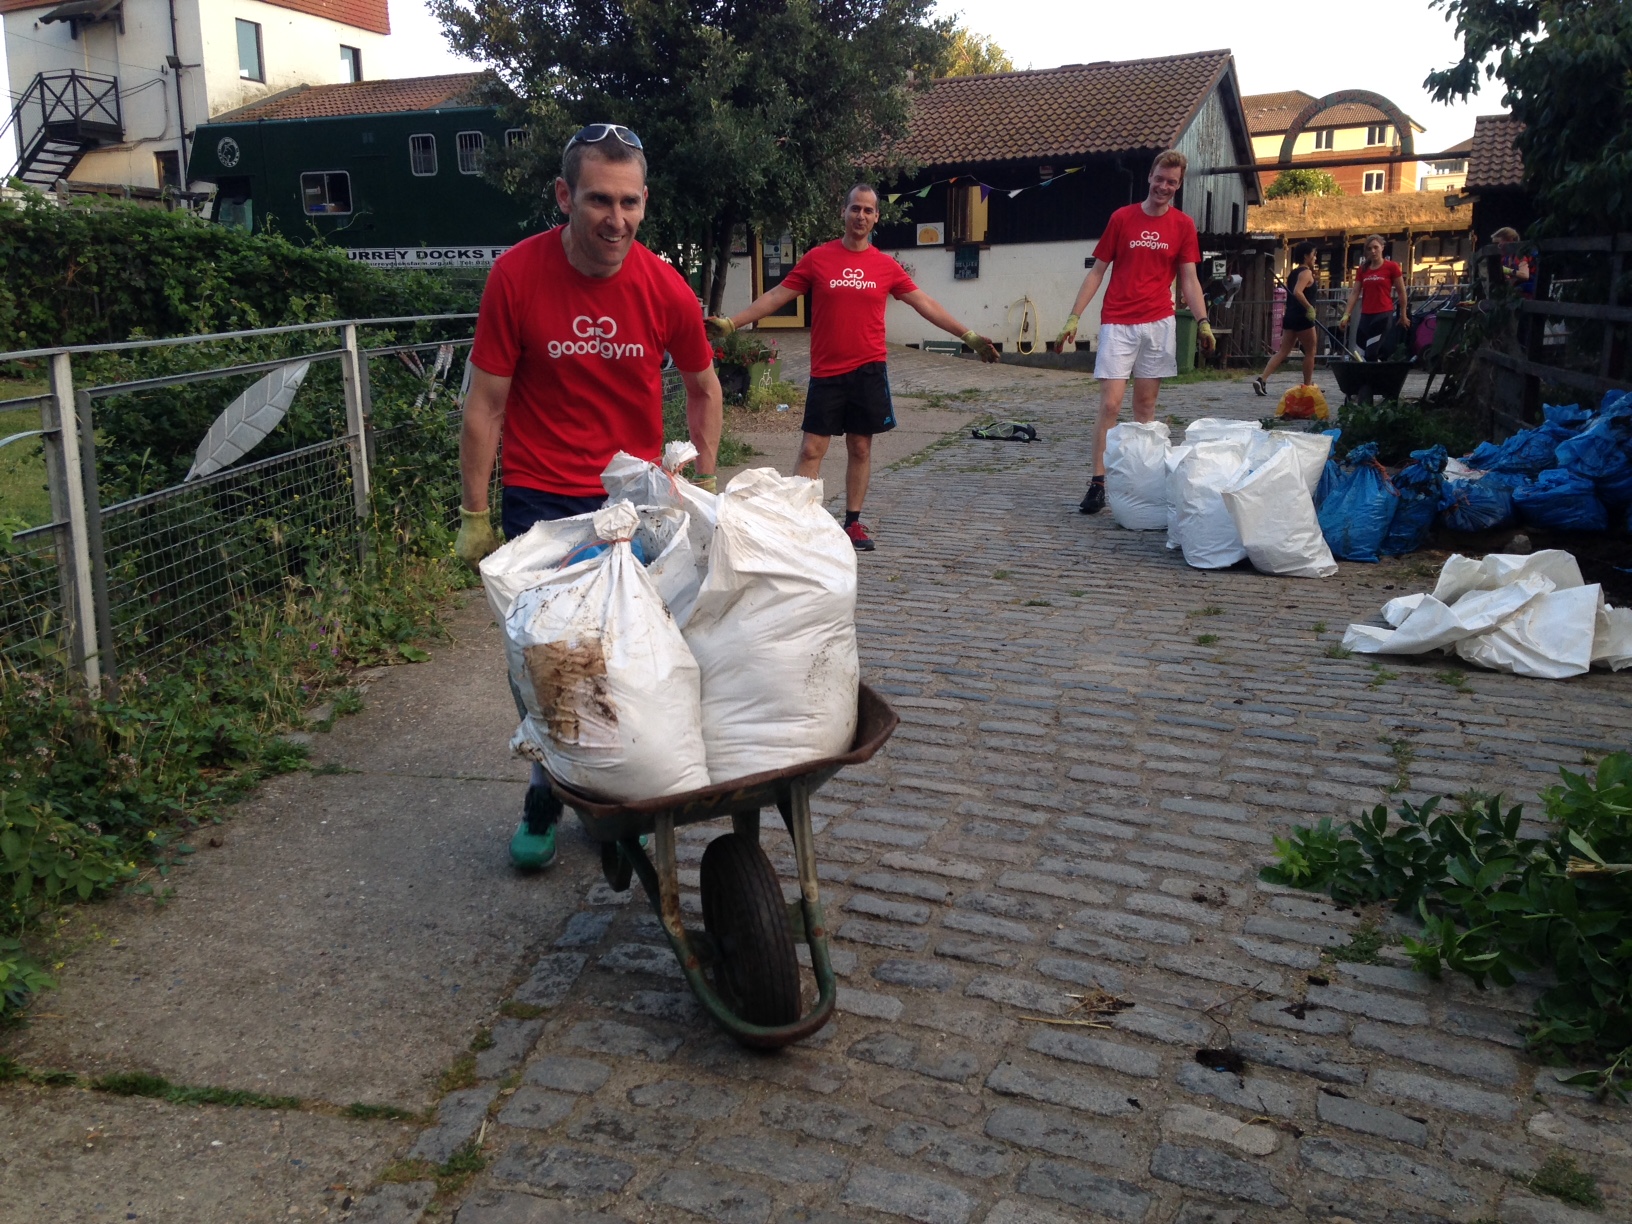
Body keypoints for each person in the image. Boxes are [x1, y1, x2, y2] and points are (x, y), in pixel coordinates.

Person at [453, 122, 723, 871]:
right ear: (565, 195)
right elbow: (485, 403)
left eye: (630, 202)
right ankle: (547, 789)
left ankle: (619, 797)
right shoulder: (517, 275)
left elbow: (704, 387)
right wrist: (476, 513)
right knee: (555, 663)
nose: (617, 220)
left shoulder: (663, 283)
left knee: (630, 661)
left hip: (630, 503)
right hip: (541, 501)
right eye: (600, 200)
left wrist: (696, 479)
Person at [705, 184, 999, 551]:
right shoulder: (817, 258)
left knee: (860, 447)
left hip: (868, 370)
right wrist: (733, 323)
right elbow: (778, 295)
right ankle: (798, 522)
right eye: (855, 209)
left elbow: (924, 302)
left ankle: (853, 523)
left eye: (868, 211)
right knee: (812, 449)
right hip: (827, 372)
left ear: (876, 218)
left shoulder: (885, 266)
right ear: (843, 213)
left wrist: (967, 335)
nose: (860, 216)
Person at [1055, 150, 1215, 514]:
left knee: (1145, 407)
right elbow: (1097, 270)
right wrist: (1074, 316)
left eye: (1172, 182)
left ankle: (1139, 483)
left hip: (1159, 322)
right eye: (1160, 178)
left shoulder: (1183, 225)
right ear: (1150, 176)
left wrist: (1203, 320)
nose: (1164, 186)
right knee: (1110, 404)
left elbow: (1189, 278)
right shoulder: (1122, 218)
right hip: (1118, 321)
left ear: (1178, 185)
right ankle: (1098, 482)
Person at [1252, 241, 1319, 397]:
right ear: (1306, 256)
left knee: (1283, 351)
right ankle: (1307, 386)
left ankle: (1262, 379)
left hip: (1290, 316)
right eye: (1314, 254)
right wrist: (1309, 308)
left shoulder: (1293, 273)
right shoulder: (1306, 273)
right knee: (1311, 351)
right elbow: (1297, 292)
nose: (1315, 258)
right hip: (1303, 317)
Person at [1339, 235, 1410, 361]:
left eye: (1376, 247)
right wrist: (1346, 315)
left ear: (1382, 248)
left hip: (1382, 314)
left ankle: (1373, 379)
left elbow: (1401, 291)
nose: (1373, 251)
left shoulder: (1392, 267)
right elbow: (1355, 292)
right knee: (1359, 352)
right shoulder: (1363, 269)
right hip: (1366, 315)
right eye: (1369, 248)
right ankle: (1365, 377)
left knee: (1371, 352)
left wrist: (1403, 314)